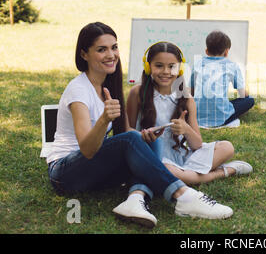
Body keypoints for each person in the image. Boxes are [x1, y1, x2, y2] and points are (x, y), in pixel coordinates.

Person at [46, 22, 234, 229]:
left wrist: (145, 136)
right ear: (84, 54)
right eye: (101, 49)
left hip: (92, 171)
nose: (111, 54)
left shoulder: (108, 84)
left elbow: (125, 132)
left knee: (145, 142)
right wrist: (104, 120)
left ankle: (135, 200)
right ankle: (183, 196)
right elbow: (87, 149)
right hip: (65, 174)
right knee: (132, 139)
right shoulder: (79, 91)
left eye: (114, 47)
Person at [127, 41, 253, 185]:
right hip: (152, 155)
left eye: (172, 66)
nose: (166, 71)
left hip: (180, 154)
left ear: (180, 69)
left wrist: (186, 129)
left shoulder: (186, 98)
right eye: (159, 65)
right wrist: (141, 135)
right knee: (169, 171)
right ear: (148, 67)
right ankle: (224, 171)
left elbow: (197, 144)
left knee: (227, 147)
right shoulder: (137, 92)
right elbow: (126, 130)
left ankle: (184, 173)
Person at [190, 30, 255, 128]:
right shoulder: (231, 66)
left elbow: (192, 92)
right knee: (249, 100)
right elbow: (243, 94)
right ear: (226, 52)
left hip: (197, 115)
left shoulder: (198, 64)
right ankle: (223, 114)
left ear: (206, 51)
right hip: (221, 117)